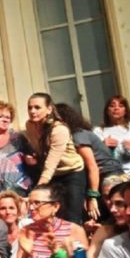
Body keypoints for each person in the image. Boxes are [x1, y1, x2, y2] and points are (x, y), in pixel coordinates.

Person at [24, 93, 86, 223]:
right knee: (53, 216)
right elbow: (40, 151)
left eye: (37, 107)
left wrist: (38, 189)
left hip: (71, 173)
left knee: (72, 217)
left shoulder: (59, 129)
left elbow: (51, 164)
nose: (32, 111)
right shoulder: (30, 126)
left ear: (49, 109)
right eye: (30, 107)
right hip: (53, 175)